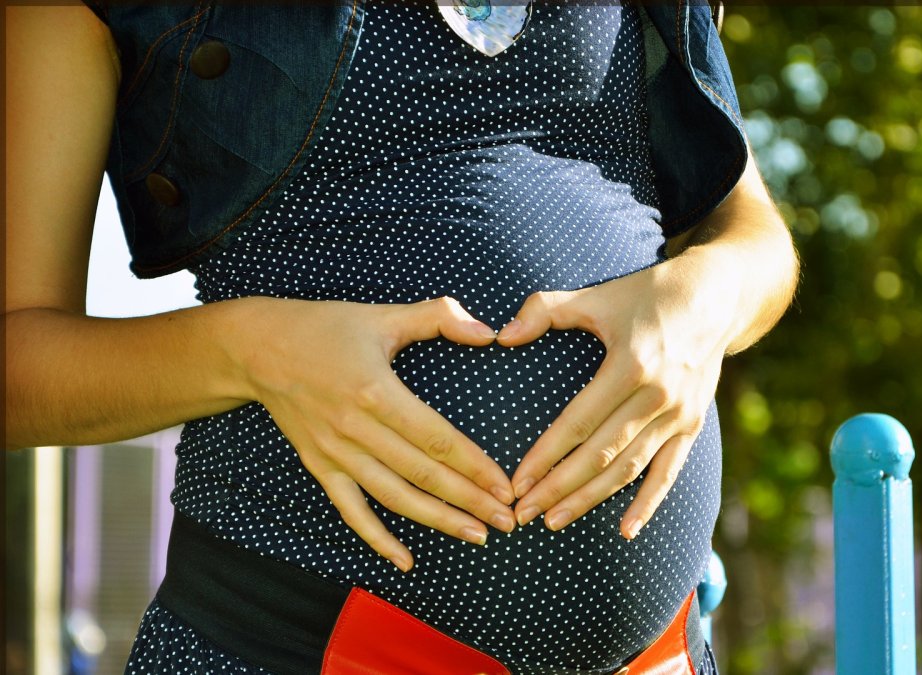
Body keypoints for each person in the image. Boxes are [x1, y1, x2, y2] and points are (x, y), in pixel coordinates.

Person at [5, 0, 800, 672]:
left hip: (652, 652)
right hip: (287, 635)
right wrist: (249, 346)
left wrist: (710, 296)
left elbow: (754, 236)